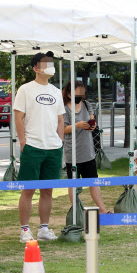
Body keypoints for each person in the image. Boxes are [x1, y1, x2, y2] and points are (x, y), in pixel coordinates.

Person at [15, 51, 65, 243]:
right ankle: (25, 229)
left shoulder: (55, 91)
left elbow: (60, 119)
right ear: (36, 68)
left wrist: (59, 141)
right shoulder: (25, 89)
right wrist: (22, 141)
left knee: (48, 190)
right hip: (33, 146)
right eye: (45, 63)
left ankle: (44, 228)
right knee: (28, 189)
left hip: (53, 147)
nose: (49, 66)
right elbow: (18, 116)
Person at [62, 80, 111, 213]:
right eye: (78, 94)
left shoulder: (86, 104)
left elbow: (91, 119)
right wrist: (78, 125)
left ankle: (102, 209)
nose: (80, 97)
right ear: (69, 94)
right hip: (72, 152)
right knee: (73, 184)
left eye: (82, 94)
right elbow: (62, 129)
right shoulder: (63, 108)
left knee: (94, 182)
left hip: (88, 151)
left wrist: (92, 125)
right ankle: (77, 210)